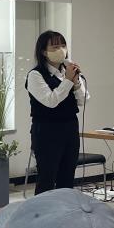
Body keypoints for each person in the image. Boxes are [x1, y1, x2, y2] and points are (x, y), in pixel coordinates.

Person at [26, 30, 88, 194]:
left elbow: (83, 100)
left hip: (70, 128)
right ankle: (43, 210)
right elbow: (51, 101)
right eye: (54, 47)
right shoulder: (35, 75)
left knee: (67, 177)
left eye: (63, 45)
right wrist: (67, 80)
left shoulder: (68, 71)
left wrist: (76, 82)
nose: (61, 50)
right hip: (47, 130)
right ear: (43, 52)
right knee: (47, 177)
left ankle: (64, 209)